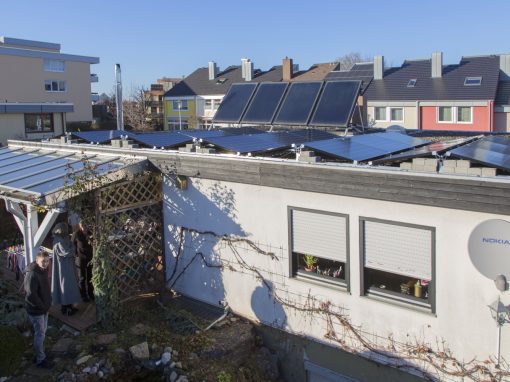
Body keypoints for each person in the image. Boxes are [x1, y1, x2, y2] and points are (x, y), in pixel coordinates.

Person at [24, 251, 53, 368]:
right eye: (43, 261)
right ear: (37, 260)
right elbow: (31, 295)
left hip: (44, 308)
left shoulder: (43, 270)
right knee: (40, 334)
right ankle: (40, 360)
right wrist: (43, 307)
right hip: (36, 310)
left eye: (47, 261)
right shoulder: (32, 274)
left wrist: (48, 305)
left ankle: (41, 353)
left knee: (42, 333)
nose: (45, 263)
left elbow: (44, 290)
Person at [51, 222, 82, 315]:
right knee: (66, 286)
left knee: (67, 286)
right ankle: (67, 308)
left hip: (66, 266)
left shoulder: (62, 238)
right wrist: (72, 247)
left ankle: (67, 307)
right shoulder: (59, 240)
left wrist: (71, 245)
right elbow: (67, 252)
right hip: (64, 268)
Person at [72, 222, 94, 302]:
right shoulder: (76, 234)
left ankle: (91, 294)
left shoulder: (90, 233)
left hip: (90, 257)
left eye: (86, 225)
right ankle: (83, 295)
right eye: (83, 225)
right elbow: (73, 244)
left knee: (90, 277)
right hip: (80, 259)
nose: (84, 227)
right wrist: (76, 254)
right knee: (82, 278)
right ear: (80, 225)